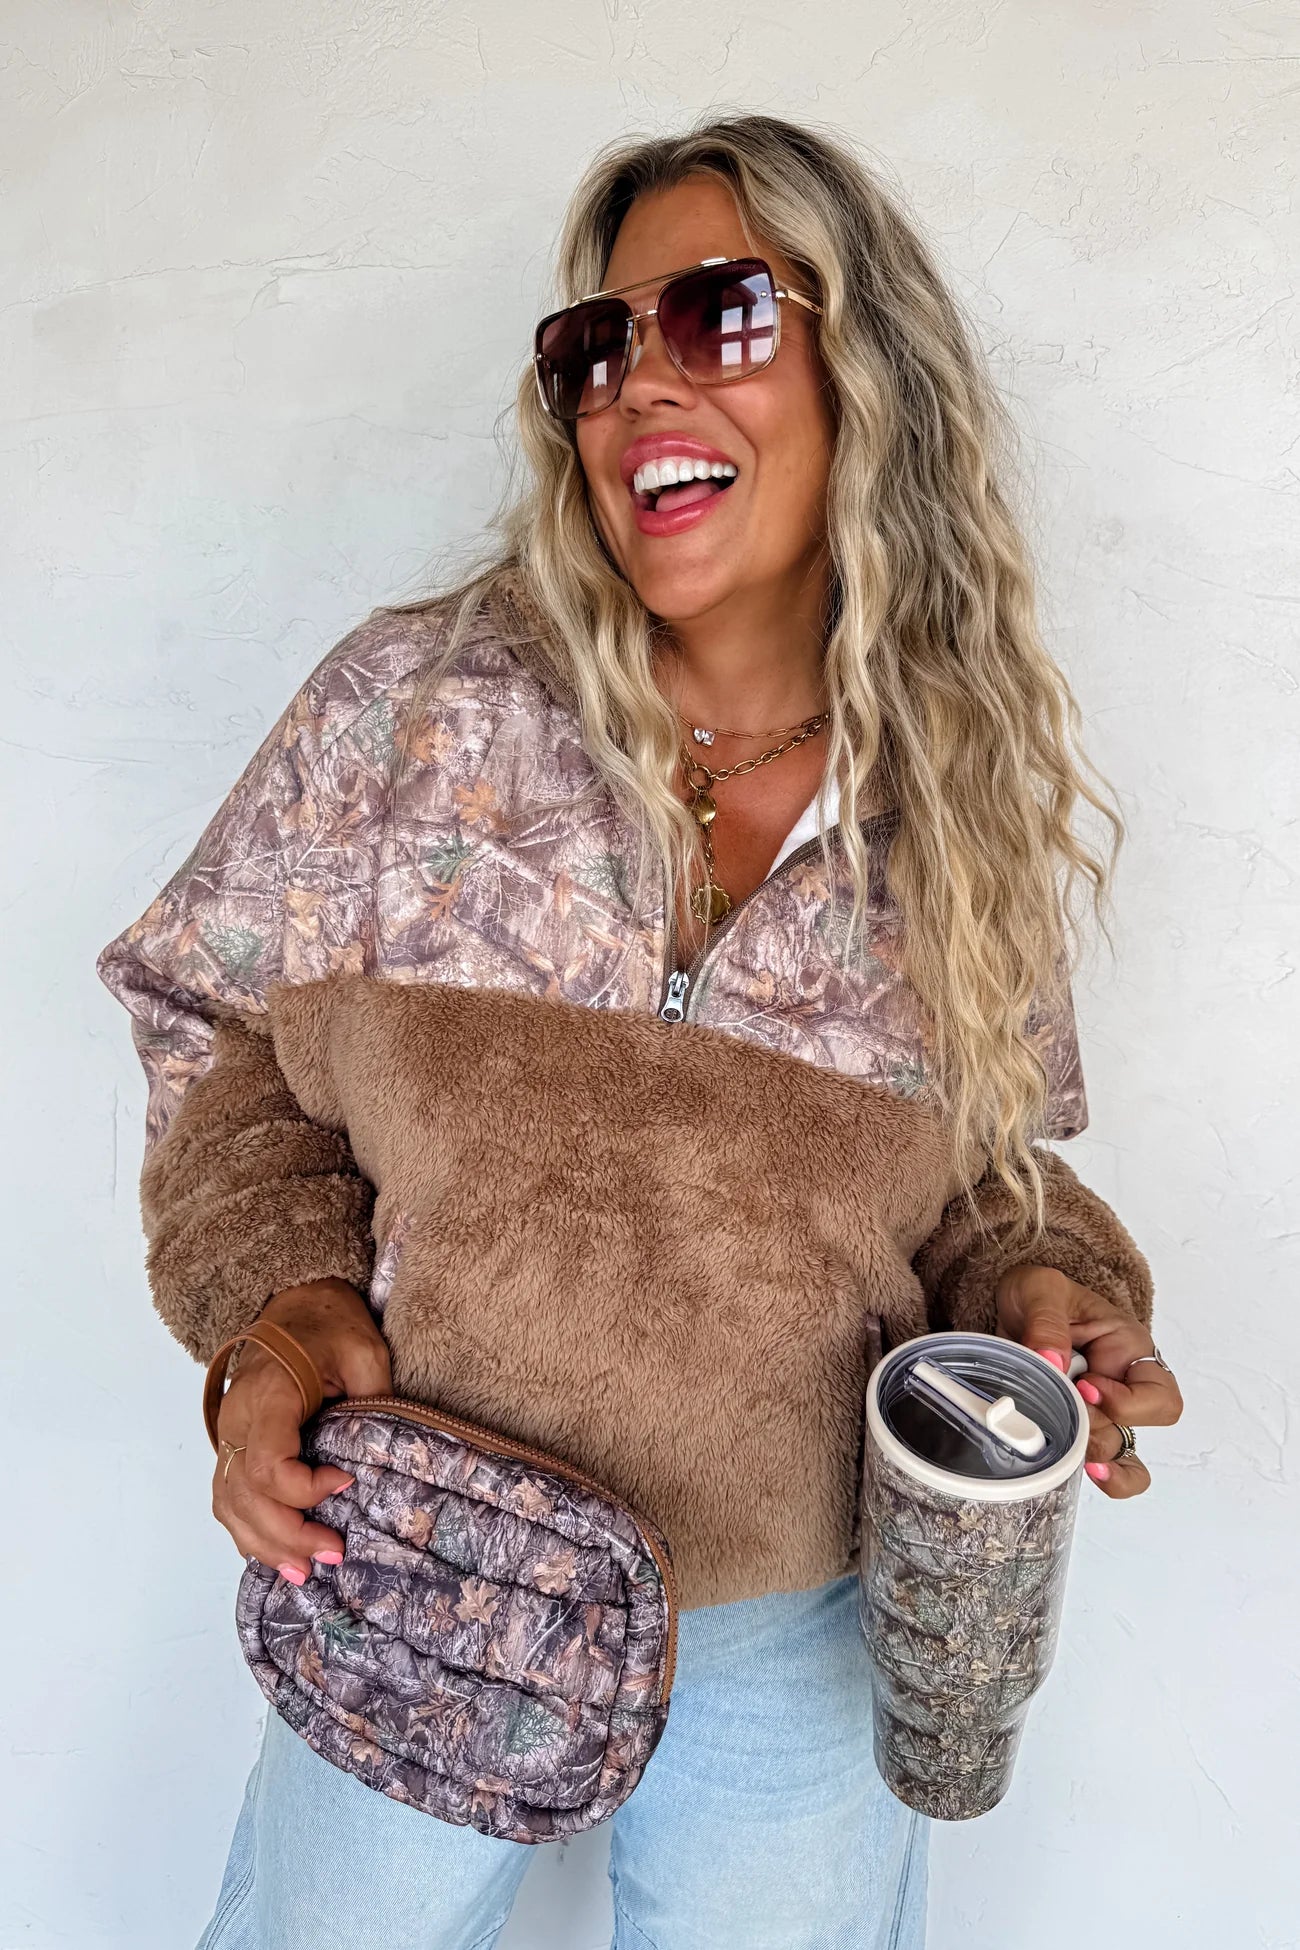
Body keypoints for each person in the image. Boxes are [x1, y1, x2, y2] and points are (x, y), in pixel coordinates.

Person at [97, 112, 1183, 1950]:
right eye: (597, 347)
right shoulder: (414, 714)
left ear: (868, 373)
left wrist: (1044, 1289)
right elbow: (216, 1028)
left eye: (721, 315)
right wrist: (277, 1305)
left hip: (797, 1619)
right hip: (415, 1554)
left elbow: (978, 1189)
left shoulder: (957, 808)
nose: (640, 386)